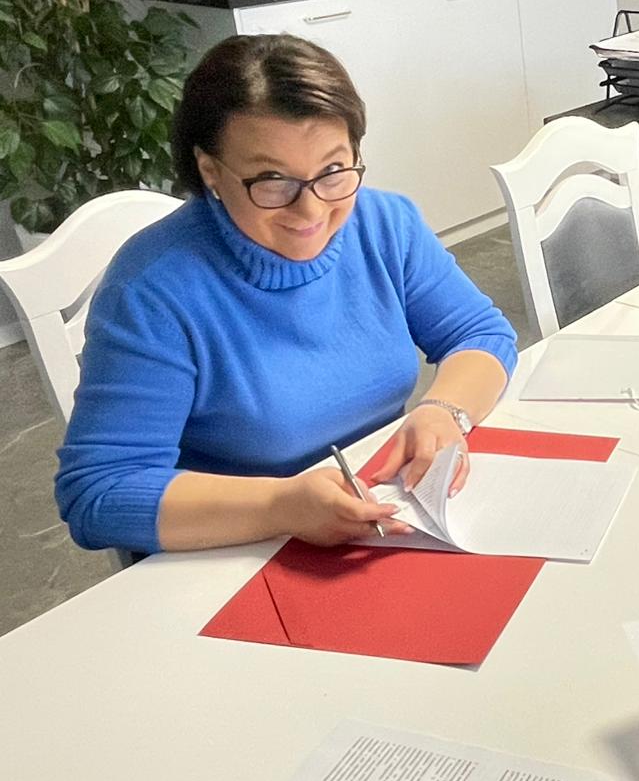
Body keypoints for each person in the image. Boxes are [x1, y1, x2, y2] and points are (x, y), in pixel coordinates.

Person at [56, 34, 519, 554]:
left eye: (333, 171)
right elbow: (100, 493)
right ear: (211, 171)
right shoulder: (153, 291)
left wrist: (444, 411)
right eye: (272, 181)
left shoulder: (384, 224)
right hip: (235, 554)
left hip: (379, 522)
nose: (312, 210)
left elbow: (480, 334)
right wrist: (278, 506)